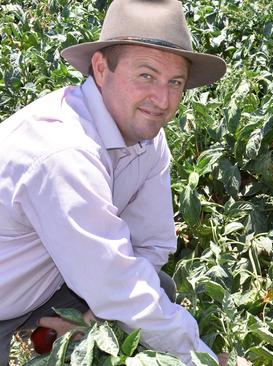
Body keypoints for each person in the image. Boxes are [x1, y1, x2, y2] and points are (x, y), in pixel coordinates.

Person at [0, 0, 236, 364]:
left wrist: (98, 316)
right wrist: (202, 358)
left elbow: (150, 244)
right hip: (8, 295)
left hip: (46, 282)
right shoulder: (63, 152)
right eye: (146, 75)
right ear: (100, 68)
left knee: (157, 291)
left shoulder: (147, 137)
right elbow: (119, 286)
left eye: (175, 83)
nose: (163, 100)